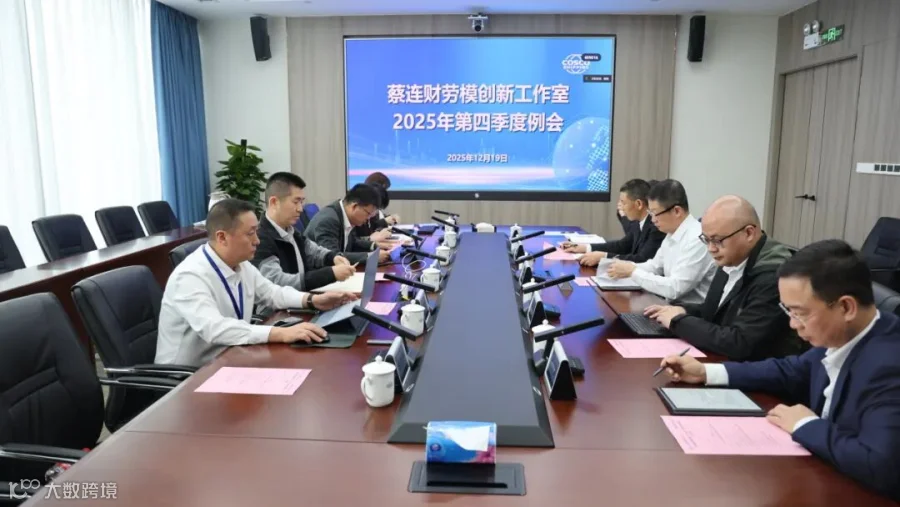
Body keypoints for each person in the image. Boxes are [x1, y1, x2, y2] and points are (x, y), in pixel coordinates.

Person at [660, 239, 900, 501]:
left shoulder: (889, 366)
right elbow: (790, 370)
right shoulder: (843, 334)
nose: (793, 324)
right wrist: (707, 372)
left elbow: (881, 466)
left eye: (799, 313)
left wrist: (806, 425)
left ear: (846, 307)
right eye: (788, 311)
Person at [155, 199, 357, 367]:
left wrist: (312, 300)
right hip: (186, 377)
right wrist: (279, 333)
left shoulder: (241, 265)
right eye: (250, 233)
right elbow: (215, 328)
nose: (257, 241)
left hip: (229, 357)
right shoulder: (189, 276)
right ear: (222, 237)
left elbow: (272, 293)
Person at [644, 195, 807, 360]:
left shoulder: (773, 276)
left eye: (717, 240)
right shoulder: (732, 257)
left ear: (749, 233)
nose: (711, 248)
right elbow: (715, 311)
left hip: (758, 369)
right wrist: (681, 310)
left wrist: (678, 321)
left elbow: (740, 342)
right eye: (706, 240)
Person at [605, 179, 716, 304]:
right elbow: (654, 266)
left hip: (691, 311)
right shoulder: (671, 233)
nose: (652, 220)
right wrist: (626, 267)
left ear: (677, 211)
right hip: (671, 306)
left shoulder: (697, 239)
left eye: (655, 213)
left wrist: (632, 272)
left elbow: (675, 288)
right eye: (650, 213)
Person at [253, 172, 356, 294]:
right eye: (295, 202)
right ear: (274, 202)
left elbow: (314, 252)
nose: (300, 209)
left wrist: (333, 257)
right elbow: (277, 282)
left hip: (301, 299)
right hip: (284, 305)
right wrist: (330, 274)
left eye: (301, 202)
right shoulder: (259, 239)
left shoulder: (290, 230)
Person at [561, 179, 664, 266]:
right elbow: (622, 245)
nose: (621, 208)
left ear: (639, 204)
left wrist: (604, 257)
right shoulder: (638, 222)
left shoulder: (656, 226)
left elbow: (642, 260)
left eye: (623, 203)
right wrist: (585, 247)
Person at [304, 183, 393, 264]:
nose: (368, 219)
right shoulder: (329, 220)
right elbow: (333, 257)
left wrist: (374, 245)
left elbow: (351, 243)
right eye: (368, 214)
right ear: (354, 206)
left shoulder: (346, 215)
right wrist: (371, 257)